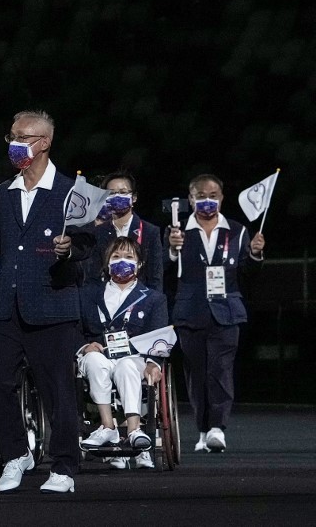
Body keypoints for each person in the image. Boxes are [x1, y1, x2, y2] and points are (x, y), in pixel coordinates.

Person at [0, 109, 94, 494]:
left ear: (45, 142)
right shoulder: (5, 191)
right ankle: (16, 454)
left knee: (57, 391)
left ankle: (64, 466)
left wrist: (70, 250)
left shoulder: (72, 190)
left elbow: (87, 242)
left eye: (24, 137)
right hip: (7, 307)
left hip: (52, 306)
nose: (15, 144)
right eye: (12, 137)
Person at [167, 174, 264, 453]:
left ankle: (217, 428)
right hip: (190, 311)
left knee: (220, 370)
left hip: (227, 311)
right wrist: (173, 251)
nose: (207, 200)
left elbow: (249, 272)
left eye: (212, 195)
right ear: (190, 199)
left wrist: (256, 254)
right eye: (200, 195)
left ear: (221, 198)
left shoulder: (237, 231)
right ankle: (202, 429)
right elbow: (164, 270)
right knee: (196, 374)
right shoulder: (177, 232)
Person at [78, 237, 168, 470]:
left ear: (139, 264)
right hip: (99, 356)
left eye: (129, 257)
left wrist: (154, 363)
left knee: (127, 365)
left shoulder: (153, 298)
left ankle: (135, 429)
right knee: (95, 360)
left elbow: (159, 336)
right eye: (116, 257)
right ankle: (108, 427)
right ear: (106, 263)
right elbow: (74, 328)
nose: (122, 262)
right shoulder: (88, 294)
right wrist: (85, 346)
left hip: (134, 359)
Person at [82, 170, 163, 289]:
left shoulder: (150, 231)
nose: (117, 196)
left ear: (134, 197)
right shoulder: (98, 232)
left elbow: (155, 277)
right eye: (112, 193)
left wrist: (153, 305)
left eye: (123, 192)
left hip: (140, 300)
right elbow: (92, 276)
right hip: (107, 299)